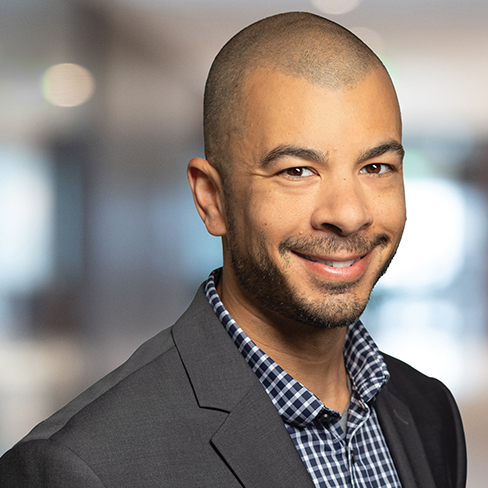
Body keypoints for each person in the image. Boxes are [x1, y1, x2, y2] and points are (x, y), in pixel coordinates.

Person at [0, 11, 466, 488]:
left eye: (377, 167)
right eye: (296, 171)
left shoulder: (428, 410)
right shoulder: (82, 466)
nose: (348, 214)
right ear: (212, 200)